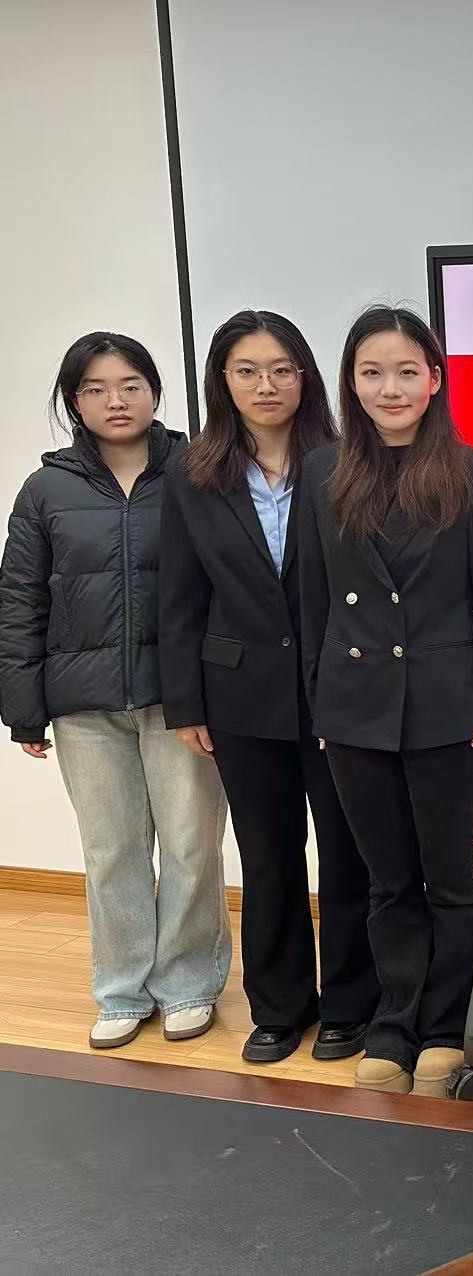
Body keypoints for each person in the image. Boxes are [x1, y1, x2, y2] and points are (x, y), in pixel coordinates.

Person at [297, 305, 473, 1095]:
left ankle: (447, 1027)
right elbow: (313, 599)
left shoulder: (472, 472)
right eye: (372, 373)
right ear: (351, 383)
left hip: (448, 704)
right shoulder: (324, 472)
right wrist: (321, 704)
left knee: (449, 877)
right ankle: (394, 1026)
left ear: (434, 379)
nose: (389, 388)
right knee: (387, 880)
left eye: (405, 371)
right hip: (354, 708)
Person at [0, 332, 229, 1048]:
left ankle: (188, 984)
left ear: (155, 391)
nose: (116, 401)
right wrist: (23, 707)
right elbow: (20, 598)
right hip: (84, 704)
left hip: (181, 701)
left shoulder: (199, 470)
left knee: (192, 846)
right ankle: (122, 990)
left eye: (130, 385)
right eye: (95, 389)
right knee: (111, 851)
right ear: (75, 402)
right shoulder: (46, 490)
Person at [160, 309, 377, 1064]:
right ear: (222, 381)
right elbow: (180, 596)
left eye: (282, 369)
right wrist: (185, 703)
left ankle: (351, 1003)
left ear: (306, 377)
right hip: (240, 698)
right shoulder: (193, 474)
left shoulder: (346, 463)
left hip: (338, 692)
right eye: (247, 371)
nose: (266, 385)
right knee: (268, 855)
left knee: (348, 853)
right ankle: (280, 1007)